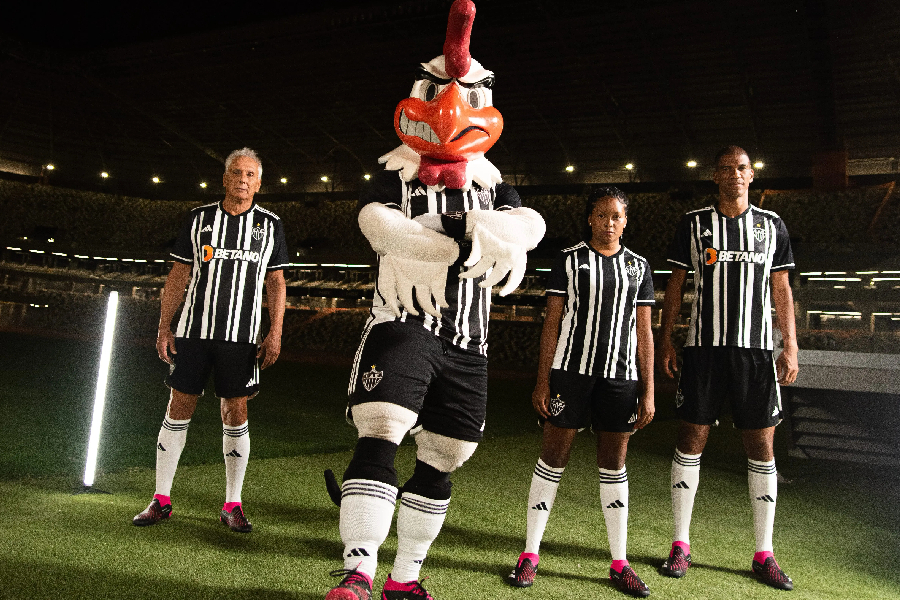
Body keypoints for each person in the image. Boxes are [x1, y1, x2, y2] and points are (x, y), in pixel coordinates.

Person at [326, 3, 545, 599]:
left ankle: (405, 577)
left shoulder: (497, 186)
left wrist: (492, 231)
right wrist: (465, 235)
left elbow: (529, 225)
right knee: (383, 426)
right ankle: (358, 570)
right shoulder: (393, 177)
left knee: (446, 452)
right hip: (405, 321)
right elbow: (378, 225)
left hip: (470, 338)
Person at [656, 145, 798, 590]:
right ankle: (681, 545)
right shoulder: (694, 224)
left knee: (761, 447)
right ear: (715, 176)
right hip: (703, 348)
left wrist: (790, 345)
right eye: (726, 169)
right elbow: (675, 286)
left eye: (742, 168)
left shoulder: (772, 226)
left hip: (756, 353)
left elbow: (782, 290)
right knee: (691, 438)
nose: (734, 175)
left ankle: (764, 552)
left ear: (751, 175)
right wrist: (668, 340)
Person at [507, 187, 655, 598]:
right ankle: (530, 553)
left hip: (621, 379)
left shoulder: (639, 267)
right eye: (603, 215)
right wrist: (542, 380)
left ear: (625, 221)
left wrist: (649, 390)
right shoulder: (569, 261)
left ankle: (619, 562)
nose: (610, 223)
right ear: (590, 218)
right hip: (569, 374)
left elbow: (644, 333)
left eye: (617, 216)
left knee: (615, 463)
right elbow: (552, 324)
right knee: (553, 456)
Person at [132, 147, 288, 533]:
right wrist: (163, 326)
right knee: (179, 404)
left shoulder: (270, 225)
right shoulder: (199, 219)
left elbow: (276, 282)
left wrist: (276, 331)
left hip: (241, 336)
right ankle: (161, 499)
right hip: (193, 332)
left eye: (251, 174)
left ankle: (232, 503)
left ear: (259, 182)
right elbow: (177, 276)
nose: (243, 179)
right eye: (236, 172)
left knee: (235, 411)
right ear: (224, 178)